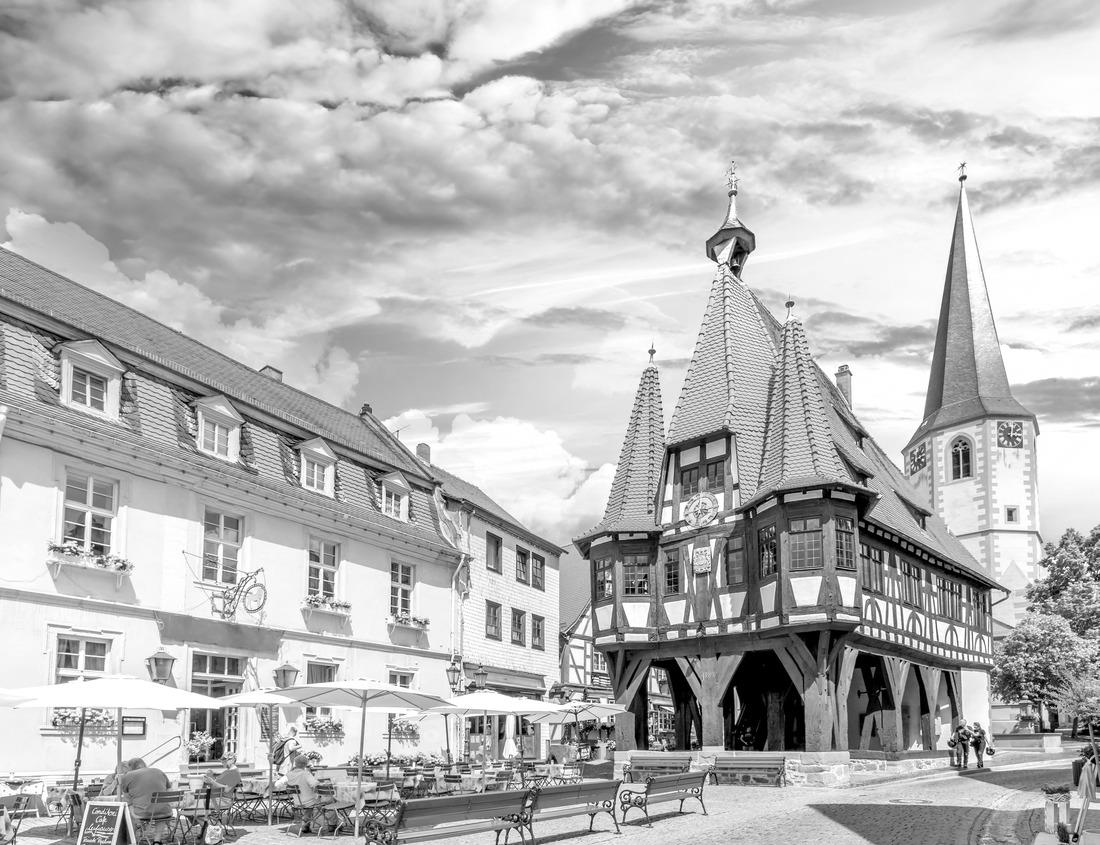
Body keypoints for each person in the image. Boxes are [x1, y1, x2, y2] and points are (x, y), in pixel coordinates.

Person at [120, 758, 171, 843]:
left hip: (143, 813)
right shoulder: (159, 771)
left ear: (131, 767)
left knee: (128, 811)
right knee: (161, 810)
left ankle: (132, 839)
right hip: (165, 812)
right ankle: (157, 841)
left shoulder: (128, 775)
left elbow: (126, 795)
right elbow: (169, 789)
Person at [286, 755, 330, 834]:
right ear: (305, 764)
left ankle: (305, 824)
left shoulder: (289, 774)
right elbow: (314, 784)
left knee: (310, 804)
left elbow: (279, 784)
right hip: (309, 802)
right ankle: (331, 825)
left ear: (295, 764)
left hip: (296, 802)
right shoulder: (305, 774)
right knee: (329, 800)